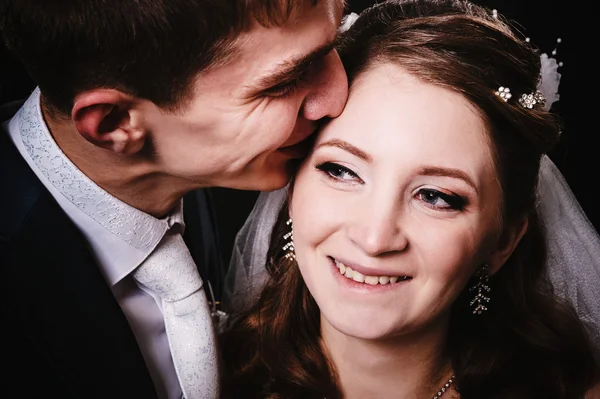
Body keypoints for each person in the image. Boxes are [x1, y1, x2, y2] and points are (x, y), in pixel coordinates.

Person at [220, 1, 599, 397]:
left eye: (435, 196)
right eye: (342, 171)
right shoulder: (203, 377)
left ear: (502, 241)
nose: (375, 239)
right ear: (292, 190)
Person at [0, 0, 348, 398]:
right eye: (283, 83)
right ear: (115, 123)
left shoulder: (185, 168)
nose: (337, 97)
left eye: (334, 39)